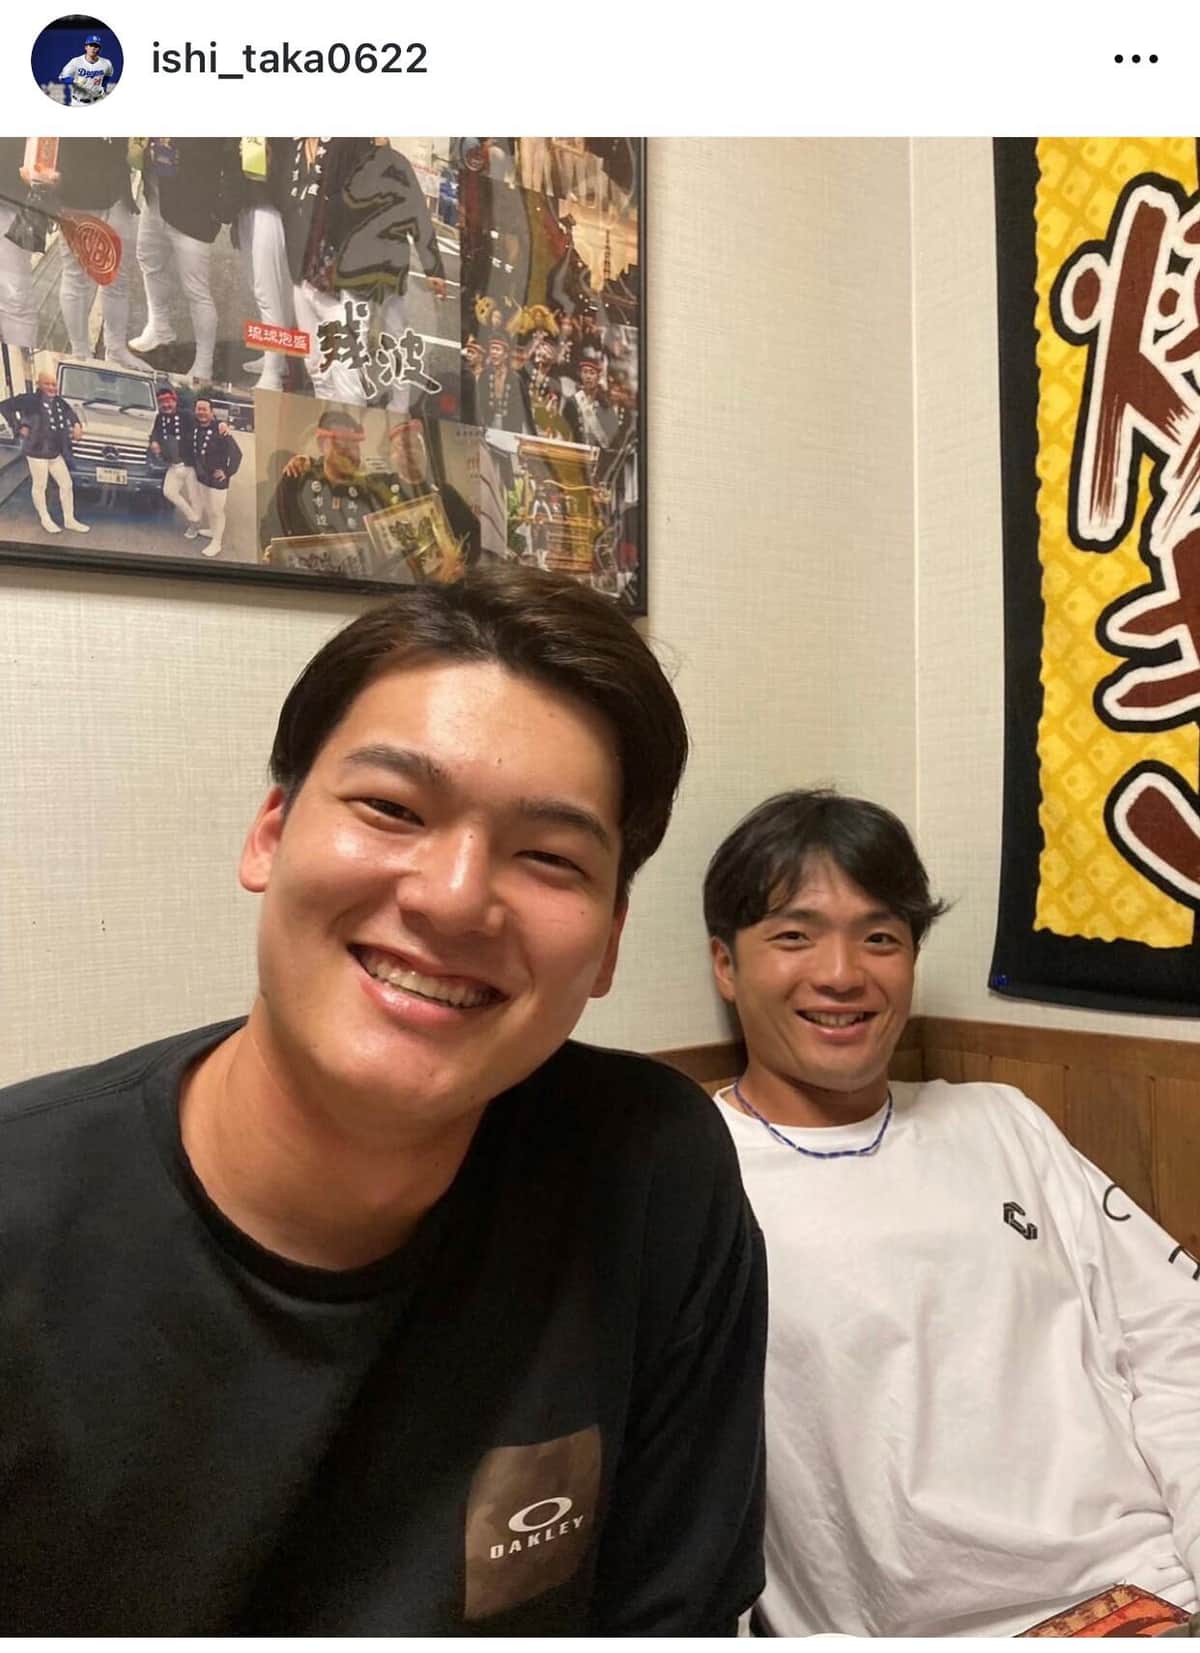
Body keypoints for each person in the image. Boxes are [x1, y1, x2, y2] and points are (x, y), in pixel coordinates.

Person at [0, 566, 767, 1635]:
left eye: (549, 857)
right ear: (270, 833)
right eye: (393, 809)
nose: (454, 899)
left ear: (608, 944)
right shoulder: (25, 1220)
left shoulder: (650, 1174)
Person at [703, 787, 1200, 1638]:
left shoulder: (1001, 1121)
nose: (842, 973)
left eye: (881, 937)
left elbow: (1174, 1337)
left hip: (1158, 1591)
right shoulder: (697, 1179)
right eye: (794, 935)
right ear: (726, 964)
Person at [129, 139, 238, 382]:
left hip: (194, 209)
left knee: (196, 289)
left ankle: (204, 363)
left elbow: (232, 158)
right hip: (155, 198)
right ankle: (159, 327)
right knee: (149, 262)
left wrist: (223, 209)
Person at [50, 138, 139, 366]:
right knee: (76, 278)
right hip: (75, 191)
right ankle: (80, 353)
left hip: (117, 192)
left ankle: (116, 350)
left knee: (118, 279)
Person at [0, 357, 90, 534]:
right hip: (36, 450)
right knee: (40, 486)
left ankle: (69, 519)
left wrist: (77, 425)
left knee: (66, 484)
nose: (51, 388)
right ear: (39, 385)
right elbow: (4, 406)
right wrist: (17, 426)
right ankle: (45, 518)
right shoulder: (29, 399)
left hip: (55, 452)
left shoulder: (59, 401)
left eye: (54, 385)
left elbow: (70, 413)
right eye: (47, 384)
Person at [147, 382, 202, 537]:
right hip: (173, 465)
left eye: (168, 401)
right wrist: (154, 441)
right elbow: (155, 433)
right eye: (162, 402)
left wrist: (221, 425)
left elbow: (205, 424)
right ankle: (194, 518)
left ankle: (194, 526)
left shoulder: (187, 415)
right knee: (169, 492)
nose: (166, 405)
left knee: (194, 497)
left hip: (190, 465)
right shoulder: (160, 418)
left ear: (175, 401)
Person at [190, 395, 241, 556]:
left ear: (212, 412)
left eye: (204, 409)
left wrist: (227, 471)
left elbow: (237, 454)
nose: (201, 412)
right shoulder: (195, 426)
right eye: (198, 409)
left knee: (217, 510)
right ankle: (213, 531)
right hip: (202, 476)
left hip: (217, 479)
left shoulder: (220, 430)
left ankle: (216, 543)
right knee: (209, 507)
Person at [58, 34, 115, 104]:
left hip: (97, 100)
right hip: (78, 102)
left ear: (99, 48)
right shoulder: (76, 61)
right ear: (86, 47)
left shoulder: (106, 63)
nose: (93, 48)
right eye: (91, 45)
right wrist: (76, 81)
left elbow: (107, 77)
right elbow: (62, 77)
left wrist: (103, 88)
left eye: (96, 46)